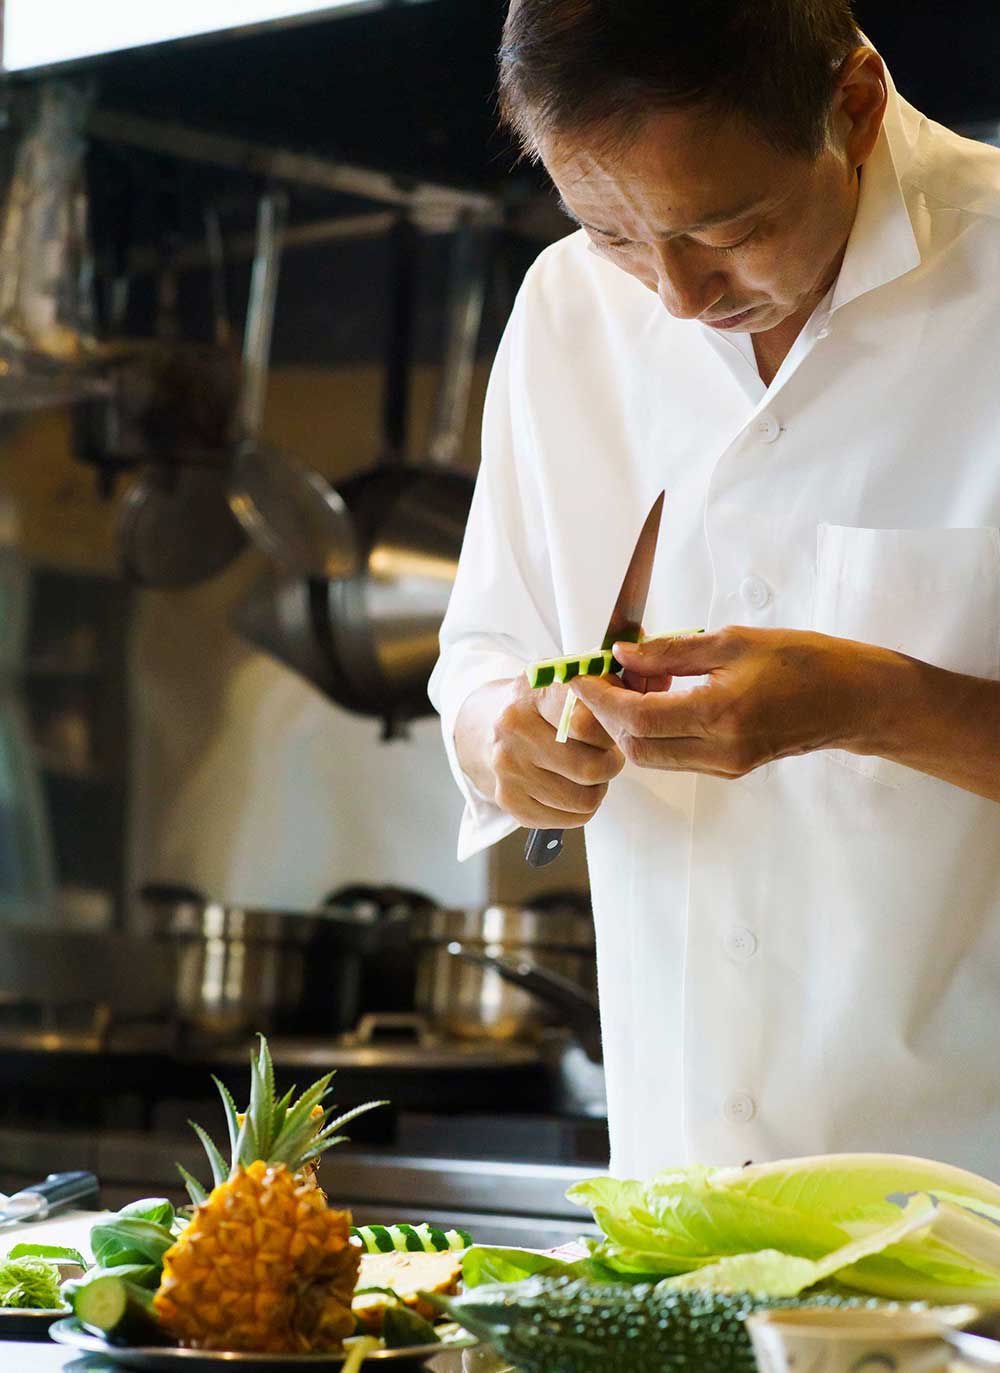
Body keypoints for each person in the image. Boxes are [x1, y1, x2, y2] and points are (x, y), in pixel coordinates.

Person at [428, 0, 1000, 1180]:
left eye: (728, 228)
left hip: (971, 1198)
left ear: (854, 103)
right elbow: (486, 644)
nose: (678, 297)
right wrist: (502, 734)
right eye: (614, 234)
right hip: (678, 1189)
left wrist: (870, 702)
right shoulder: (567, 310)